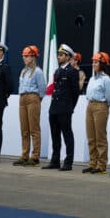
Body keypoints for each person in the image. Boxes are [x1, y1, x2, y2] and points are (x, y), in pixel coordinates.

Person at [45, 43, 81, 171]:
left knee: (67, 135)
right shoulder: (58, 71)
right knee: (55, 135)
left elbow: (76, 92)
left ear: (68, 57)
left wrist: (70, 107)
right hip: (54, 108)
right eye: (58, 55)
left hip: (65, 108)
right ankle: (55, 160)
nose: (59, 57)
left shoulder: (72, 72)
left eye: (61, 55)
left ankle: (68, 162)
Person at [83, 51, 110, 174]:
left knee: (100, 137)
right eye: (93, 62)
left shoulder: (106, 79)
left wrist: (104, 107)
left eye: (96, 62)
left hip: (101, 106)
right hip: (90, 105)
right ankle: (92, 163)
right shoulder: (92, 78)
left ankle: (101, 165)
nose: (93, 64)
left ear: (102, 64)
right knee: (91, 137)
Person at [16, 45, 45, 166]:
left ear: (33, 57)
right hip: (22, 98)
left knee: (34, 129)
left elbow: (42, 88)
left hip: (33, 97)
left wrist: (37, 100)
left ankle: (35, 156)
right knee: (24, 129)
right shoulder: (24, 71)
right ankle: (24, 155)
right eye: (24, 56)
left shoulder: (37, 71)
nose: (24, 58)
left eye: (27, 56)